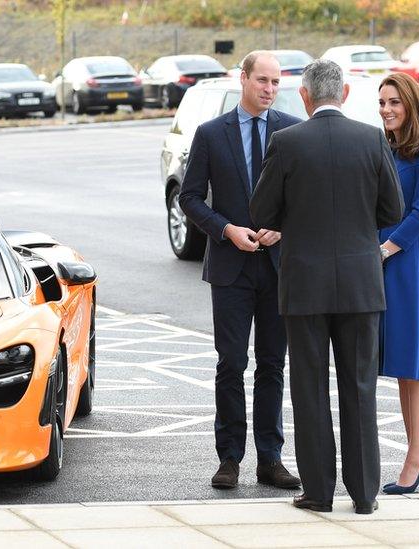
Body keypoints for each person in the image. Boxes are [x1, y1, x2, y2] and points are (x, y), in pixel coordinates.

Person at [249, 59, 404, 514]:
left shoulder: (287, 142)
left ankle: (318, 492)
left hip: (305, 286)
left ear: (304, 96)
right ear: (347, 93)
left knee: (310, 389)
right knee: (359, 388)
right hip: (360, 284)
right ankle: (364, 495)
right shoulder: (372, 139)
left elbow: (261, 211)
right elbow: (392, 210)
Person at [179, 51, 303, 491]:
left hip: (276, 267)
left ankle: (270, 459)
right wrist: (225, 229)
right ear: (243, 78)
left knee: (273, 365)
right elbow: (190, 198)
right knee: (231, 364)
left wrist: (281, 229)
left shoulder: (292, 130)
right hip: (230, 266)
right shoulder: (211, 134)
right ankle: (229, 458)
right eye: (263, 81)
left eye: (276, 82)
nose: (270, 89)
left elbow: (302, 197)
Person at [376, 72, 419, 495]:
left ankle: (417, 458)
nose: (386, 109)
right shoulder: (385, 148)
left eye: (394, 102)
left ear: (412, 105)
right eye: (382, 102)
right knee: (401, 365)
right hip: (379, 261)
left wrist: (385, 249)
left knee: (416, 368)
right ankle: (417, 453)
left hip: (406, 264)